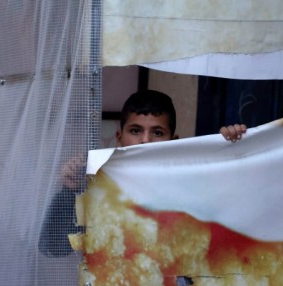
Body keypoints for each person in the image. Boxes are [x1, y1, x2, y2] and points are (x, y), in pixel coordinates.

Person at [38, 90, 247, 257]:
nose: (145, 140)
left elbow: (234, 219)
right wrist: (69, 191)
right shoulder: (96, 183)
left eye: (157, 133)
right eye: (135, 131)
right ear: (119, 137)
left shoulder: (190, 180)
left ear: (173, 141)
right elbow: (52, 247)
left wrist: (230, 152)